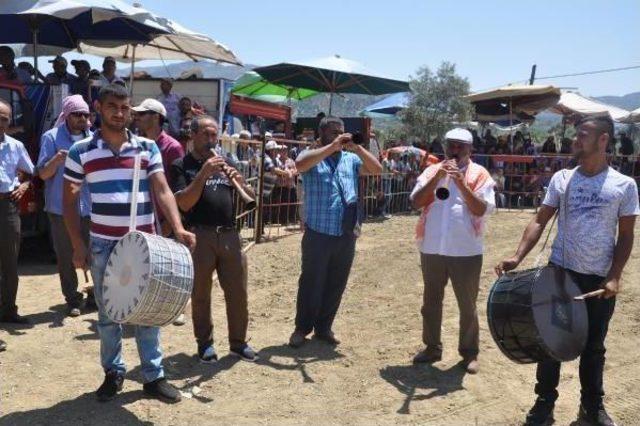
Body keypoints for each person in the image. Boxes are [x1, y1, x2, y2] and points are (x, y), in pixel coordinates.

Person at [496, 115, 639, 426]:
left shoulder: (624, 185)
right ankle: (544, 405)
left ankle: (591, 409)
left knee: (593, 348)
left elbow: (626, 236)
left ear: (603, 140)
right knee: (550, 342)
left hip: (598, 281)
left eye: (583, 135)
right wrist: (517, 256)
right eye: (577, 135)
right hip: (559, 274)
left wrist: (614, 276)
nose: (576, 140)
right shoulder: (563, 178)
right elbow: (539, 220)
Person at [63, 84, 196, 403]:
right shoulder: (80, 151)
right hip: (104, 245)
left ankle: (153, 376)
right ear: (99, 107)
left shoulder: (147, 149)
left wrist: (177, 227)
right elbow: (68, 200)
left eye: (125, 108)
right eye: (112, 106)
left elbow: (163, 190)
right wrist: (77, 245)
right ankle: (114, 372)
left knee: (148, 310)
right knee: (109, 315)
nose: (119, 113)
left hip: (145, 243)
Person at [288, 116, 382, 348]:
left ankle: (324, 327)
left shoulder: (351, 159)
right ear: (322, 135)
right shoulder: (312, 157)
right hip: (318, 232)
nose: (340, 135)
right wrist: (331, 146)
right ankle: (302, 328)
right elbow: (299, 165)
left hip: (346, 232)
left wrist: (357, 147)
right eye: (333, 132)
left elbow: (377, 169)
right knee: (311, 281)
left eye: (342, 131)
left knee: (336, 282)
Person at [171, 115, 258, 363]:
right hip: (200, 236)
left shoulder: (226, 161)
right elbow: (184, 203)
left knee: (238, 292)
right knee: (201, 293)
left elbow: (250, 198)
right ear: (194, 136)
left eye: (214, 135)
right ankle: (205, 343)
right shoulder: (182, 165)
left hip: (230, 234)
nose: (211, 140)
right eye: (206, 135)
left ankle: (239, 343)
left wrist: (240, 181)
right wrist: (203, 174)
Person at [409, 128, 495, 374]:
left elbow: (480, 209)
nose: (455, 150)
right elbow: (416, 202)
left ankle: (469, 353)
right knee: (431, 301)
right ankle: (432, 347)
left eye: (460, 146)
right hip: (433, 247)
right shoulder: (431, 171)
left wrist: (460, 182)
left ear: (470, 149)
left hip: (466, 249)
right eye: (451, 145)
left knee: (467, 304)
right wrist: (437, 178)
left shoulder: (481, 174)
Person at [36, 95, 92, 317]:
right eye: (77, 114)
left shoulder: (95, 139)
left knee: (94, 252)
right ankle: (72, 298)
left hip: (89, 206)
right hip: (60, 208)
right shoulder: (51, 138)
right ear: (67, 116)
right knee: (66, 255)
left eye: (85, 115)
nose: (82, 119)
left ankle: (95, 296)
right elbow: (42, 174)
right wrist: (57, 160)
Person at [0, 99, 34, 324]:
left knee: (10, 262)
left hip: (7, 207)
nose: (0, 122)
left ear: (10, 121)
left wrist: (23, 186)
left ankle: (9, 310)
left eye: (4, 119)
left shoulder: (15, 146)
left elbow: (32, 172)